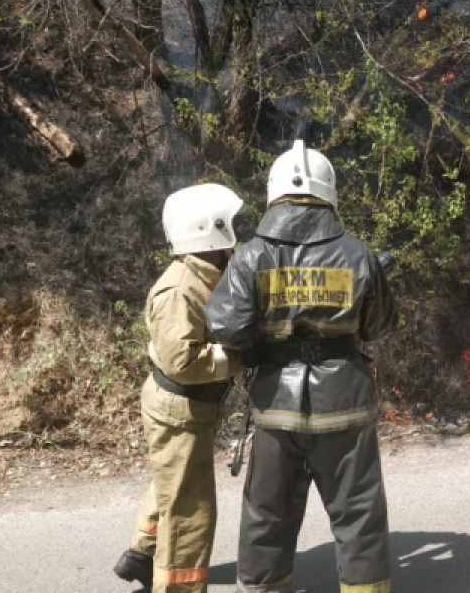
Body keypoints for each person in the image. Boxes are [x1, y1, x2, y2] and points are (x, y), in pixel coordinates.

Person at [205, 139, 398, 593]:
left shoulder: (251, 256)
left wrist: (263, 341)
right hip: (345, 403)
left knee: (267, 513)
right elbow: (379, 326)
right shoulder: (358, 254)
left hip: (276, 406)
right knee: (358, 511)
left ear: (273, 192)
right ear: (329, 193)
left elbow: (226, 327)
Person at [114, 183, 244, 593]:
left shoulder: (203, 275)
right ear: (211, 231)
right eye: (230, 227)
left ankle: (144, 552)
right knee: (190, 509)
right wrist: (241, 355)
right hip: (180, 407)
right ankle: (178, 586)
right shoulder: (181, 288)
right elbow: (183, 362)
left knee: (174, 483)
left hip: (185, 407)